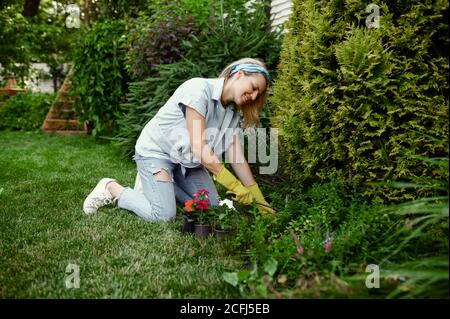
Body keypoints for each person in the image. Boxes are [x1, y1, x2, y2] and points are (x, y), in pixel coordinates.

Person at [83, 57, 276, 221]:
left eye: (258, 94)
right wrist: (234, 186)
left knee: (213, 208)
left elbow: (237, 157)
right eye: (253, 87)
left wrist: (259, 200)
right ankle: (111, 187)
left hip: (187, 162)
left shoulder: (235, 114)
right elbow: (199, 146)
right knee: (163, 216)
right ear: (239, 74)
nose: (254, 96)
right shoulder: (199, 89)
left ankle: (165, 185)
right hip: (157, 152)